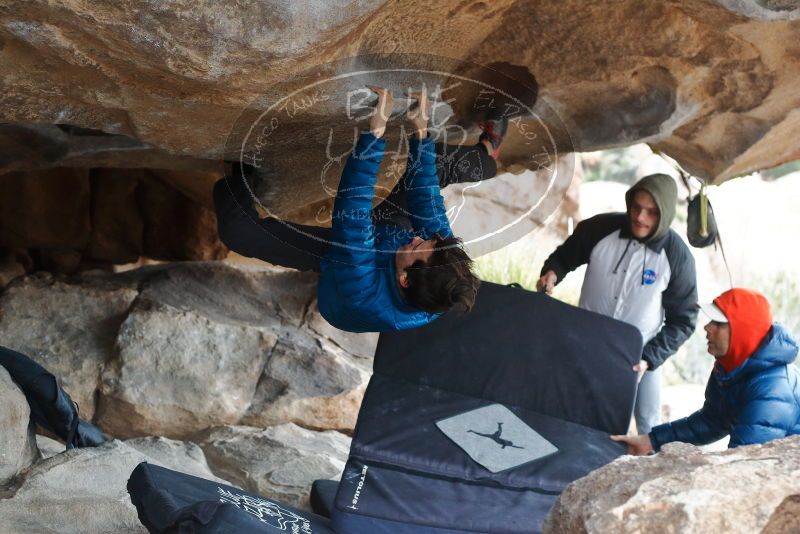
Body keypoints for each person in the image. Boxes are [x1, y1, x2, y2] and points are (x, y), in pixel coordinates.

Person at [214, 86, 484, 333]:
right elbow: (425, 198)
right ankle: (485, 155)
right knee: (432, 174)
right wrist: (421, 132)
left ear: (404, 280)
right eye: (426, 240)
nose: (417, 237)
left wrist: (376, 132)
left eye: (416, 247)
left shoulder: (364, 293)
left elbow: (352, 211)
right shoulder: (437, 264)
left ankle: (240, 169)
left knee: (237, 231)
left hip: (340, 262)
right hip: (387, 240)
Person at [536, 174, 698, 434]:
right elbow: (564, 258)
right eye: (636, 207)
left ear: (665, 214)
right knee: (570, 409)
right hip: (586, 342)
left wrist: (649, 358)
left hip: (639, 353)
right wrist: (552, 273)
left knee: (647, 424)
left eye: (651, 212)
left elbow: (684, 321)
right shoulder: (598, 229)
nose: (640, 218)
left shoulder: (678, 257)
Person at [611, 288, 800, 453]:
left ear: (742, 332)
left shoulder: (771, 390)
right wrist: (650, 440)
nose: (707, 328)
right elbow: (712, 422)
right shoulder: (730, 368)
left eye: (718, 323)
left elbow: (743, 464)